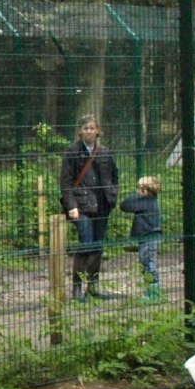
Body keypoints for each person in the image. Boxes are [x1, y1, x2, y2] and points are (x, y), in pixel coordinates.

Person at [59, 114, 119, 301]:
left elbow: (114, 177)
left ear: (98, 131)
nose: (89, 131)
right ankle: (77, 288)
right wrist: (71, 206)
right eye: (86, 128)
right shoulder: (72, 152)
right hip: (81, 206)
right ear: (80, 131)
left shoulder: (105, 152)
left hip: (103, 205)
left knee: (98, 246)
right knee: (86, 244)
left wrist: (113, 197)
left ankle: (93, 287)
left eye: (92, 128)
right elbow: (66, 182)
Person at [120, 175, 163, 302]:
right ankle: (151, 292)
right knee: (146, 263)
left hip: (148, 237)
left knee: (149, 264)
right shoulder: (151, 200)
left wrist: (135, 195)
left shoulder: (145, 201)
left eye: (139, 189)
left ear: (145, 190)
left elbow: (124, 205)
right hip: (148, 236)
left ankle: (154, 294)